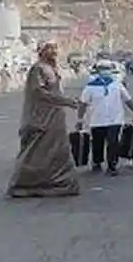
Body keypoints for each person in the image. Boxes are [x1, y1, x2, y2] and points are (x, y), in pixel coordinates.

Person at [7, 41, 81, 198]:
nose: (54, 51)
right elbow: (40, 93)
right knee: (35, 152)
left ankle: (59, 183)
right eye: (50, 48)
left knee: (57, 151)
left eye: (55, 48)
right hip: (41, 119)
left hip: (56, 119)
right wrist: (66, 101)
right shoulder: (38, 69)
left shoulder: (54, 69)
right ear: (42, 51)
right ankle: (25, 185)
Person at [77, 59, 133, 176]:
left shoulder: (116, 85)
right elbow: (83, 104)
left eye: (107, 69)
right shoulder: (90, 87)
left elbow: (127, 100)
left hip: (114, 120)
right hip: (97, 120)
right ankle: (97, 162)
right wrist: (80, 119)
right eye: (103, 69)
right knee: (97, 142)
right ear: (98, 71)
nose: (105, 72)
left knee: (113, 142)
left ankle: (112, 165)